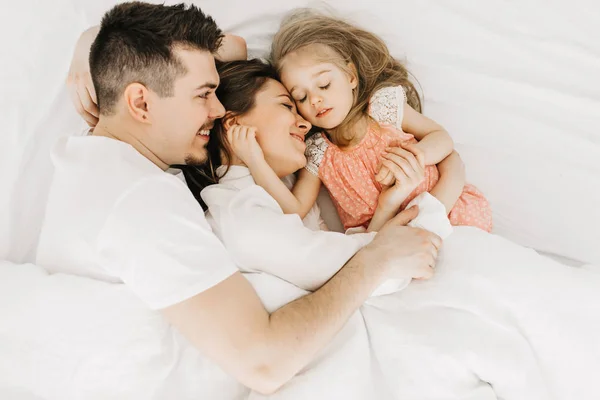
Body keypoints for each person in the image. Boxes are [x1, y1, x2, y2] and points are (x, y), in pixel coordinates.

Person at [44, 2, 441, 395]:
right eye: (203, 95)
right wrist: (378, 258)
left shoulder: (102, 159)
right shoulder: (139, 202)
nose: (218, 111)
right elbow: (265, 364)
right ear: (141, 103)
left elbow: (227, 48)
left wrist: (92, 42)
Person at [189, 58, 600, 400]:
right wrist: (439, 195)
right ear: (231, 123)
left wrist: (389, 206)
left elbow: (353, 256)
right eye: (286, 105)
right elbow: (382, 266)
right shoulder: (241, 212)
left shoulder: (271, 200)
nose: (304, 122)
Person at [228, 10, 492, 233]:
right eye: (301, 97)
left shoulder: (381, 108)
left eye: (324, 84)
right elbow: (295, 208)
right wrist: (255, 161)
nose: (316, 100)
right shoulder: (319, 152)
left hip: (450, 211)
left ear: (351, 76)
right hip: (384, 235)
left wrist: (415, 155)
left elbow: (441, 137)